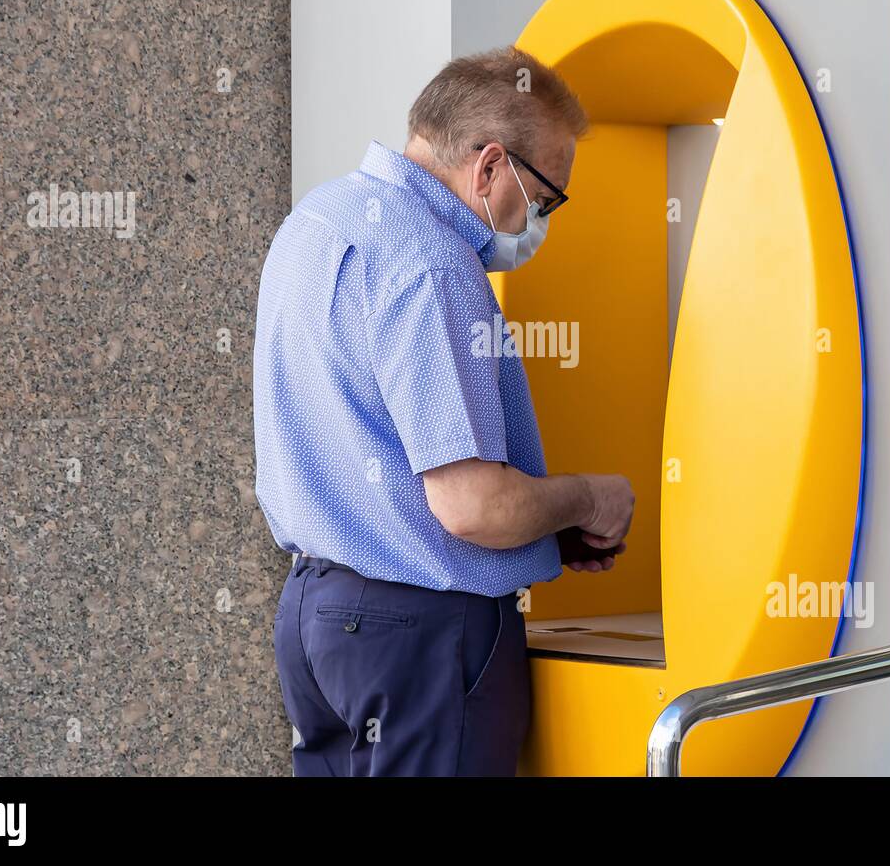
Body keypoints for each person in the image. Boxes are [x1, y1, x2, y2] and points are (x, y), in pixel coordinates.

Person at [253, 46, 635, 776]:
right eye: (546, 198)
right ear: (489, 167)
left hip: (315, 621)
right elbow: (472, 508)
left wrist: (550, 529)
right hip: (420, 635)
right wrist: (590, 496)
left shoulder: (314, 222)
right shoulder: (433, 262)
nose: (540, 221)